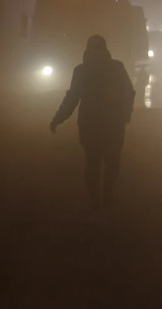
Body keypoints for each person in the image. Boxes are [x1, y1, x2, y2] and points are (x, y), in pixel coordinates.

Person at [50, 35, 136, 213]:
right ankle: (107, 196)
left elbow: (72, 98)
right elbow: (129, 93)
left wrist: (58, 118)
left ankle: (95, 201)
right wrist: (125, 114)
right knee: (112, 162)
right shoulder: (116, 68)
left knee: (92, 163)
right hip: (113, 123)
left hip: (90, 124)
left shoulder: (81, 70)